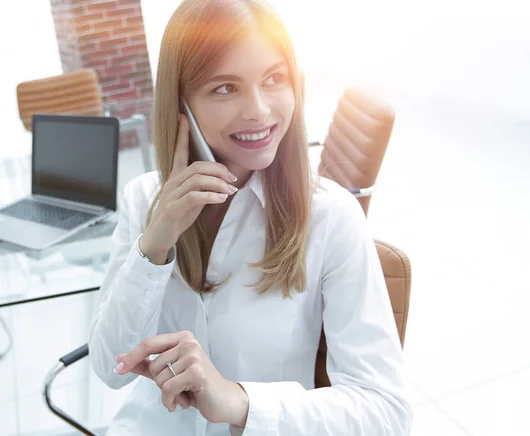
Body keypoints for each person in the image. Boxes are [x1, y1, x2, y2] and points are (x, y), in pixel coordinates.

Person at [88, 0, 413, 434]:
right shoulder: (143, 198)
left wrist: (239, 401)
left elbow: (386, 412)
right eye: (225, 88)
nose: (259, 110)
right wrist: (156, 242)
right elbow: (111, 369)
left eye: (274, 79)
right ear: (180, 103)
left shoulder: (332, 217)